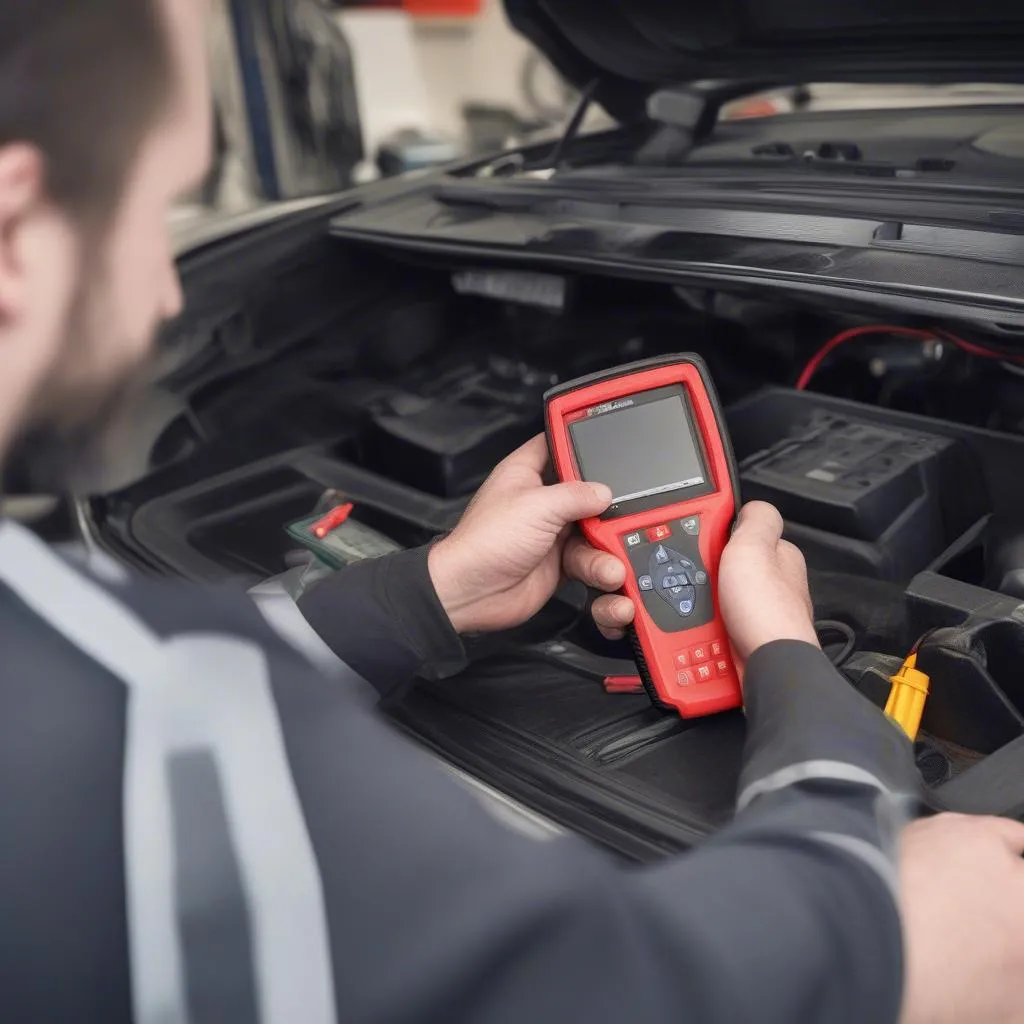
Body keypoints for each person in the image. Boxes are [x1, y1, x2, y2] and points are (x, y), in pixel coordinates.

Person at [3, 2, 1024, 1022]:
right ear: (14, 233)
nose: (165, 296)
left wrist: (418, 596)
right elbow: (633, 991)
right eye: (152, 207)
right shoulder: (161, 740)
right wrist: (827, 758)